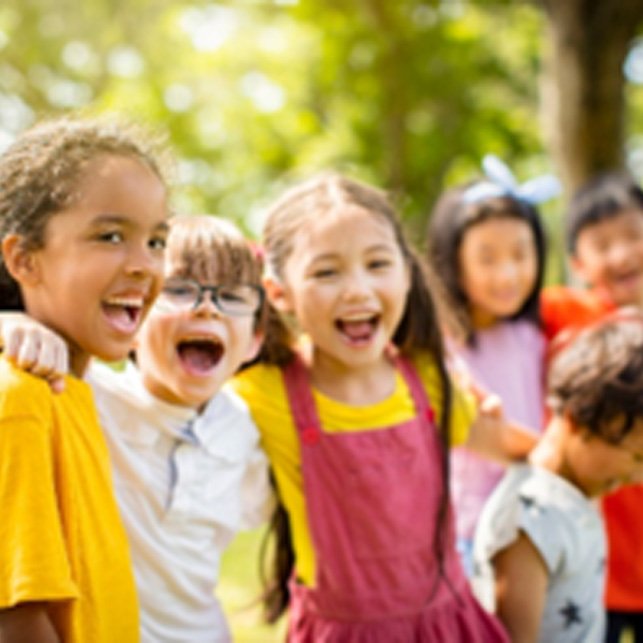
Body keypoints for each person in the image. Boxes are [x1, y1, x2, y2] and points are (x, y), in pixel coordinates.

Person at [231, 172, 538, 641]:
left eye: (377, 264)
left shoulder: (429, 379)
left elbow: (512, 448)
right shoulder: (263, 393)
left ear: (406, 271)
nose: (357, 289)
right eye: (326, 271)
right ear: (278, 292)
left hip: (447, 625)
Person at [1, 214, 274, 642]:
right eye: (179, 291)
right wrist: (11, 323)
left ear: (255, 339)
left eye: (231, 297)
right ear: (129, 322)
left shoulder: (246, 425)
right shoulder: (87, 394)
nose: (206, 307)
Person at [0, 116, 171, 642]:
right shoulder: (22, 399)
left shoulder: (75, 388)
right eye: (111, 236)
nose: (144, 265)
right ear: (23, 259)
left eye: (157, 242)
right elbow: (19, 619)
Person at [472, 311, 643, 643]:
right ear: (577, 419)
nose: (638, 476)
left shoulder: (576, 492)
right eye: (636, 457)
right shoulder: (530, 518)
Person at [427, 155, 555, 575]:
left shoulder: (531, 337)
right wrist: (565, 465)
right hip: (468, 536)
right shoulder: (440, 348)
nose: (508, 274)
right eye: (487, 258)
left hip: (534, 525)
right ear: (454, 261)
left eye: (521, 254)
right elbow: (486, 437)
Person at [540, 171, 643, 643]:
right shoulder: (568, 313)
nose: (622, 254)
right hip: (592, 566)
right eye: (603, 245)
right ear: (578, 261)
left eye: (634, 235)